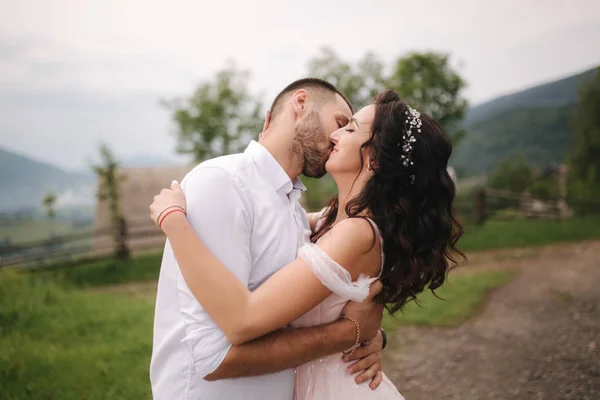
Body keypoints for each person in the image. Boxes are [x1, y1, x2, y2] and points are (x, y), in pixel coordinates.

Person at [151, 89, 465, 399]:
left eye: (350, 127)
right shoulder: (329, 218)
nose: (336, 134)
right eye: (341, 122)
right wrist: (363, 333)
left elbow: (243, 320)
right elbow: (279, 218)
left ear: (377, 159)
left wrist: (174, 222)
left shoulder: (356, 232)